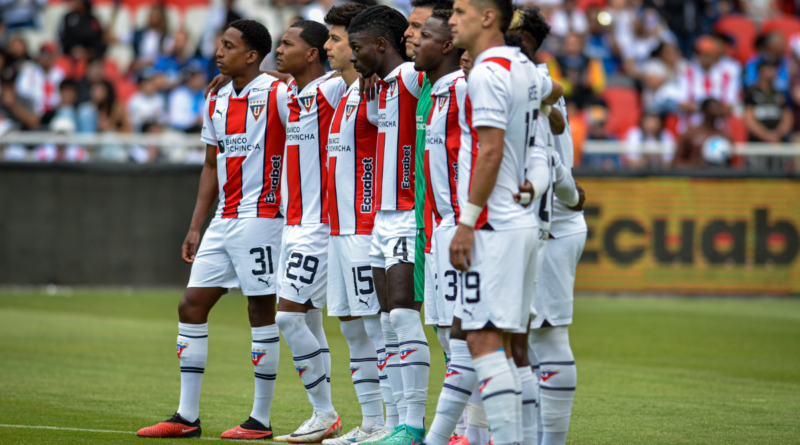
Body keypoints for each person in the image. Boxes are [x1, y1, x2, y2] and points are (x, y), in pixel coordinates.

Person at [136, 19, 289, 439]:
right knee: (191, 306)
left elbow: (311, 87)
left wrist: (273, 74)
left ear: (252, 55)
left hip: (264, 218)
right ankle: (187, 417)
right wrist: (195, 226)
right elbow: (210, 165)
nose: (218, 52)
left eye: (229, 45)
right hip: (224, 219)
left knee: (260, 310)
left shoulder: (276, 93)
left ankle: (260, 419)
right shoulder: (217, 98)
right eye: (220, 44)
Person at [447, 0, 562, 444]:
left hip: (494, 224)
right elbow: (550, 92)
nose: (452, 19)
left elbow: (490, 151)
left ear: (487, 17)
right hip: (525, 222)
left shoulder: (487, 72)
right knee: (513, 345)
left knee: (481, 341)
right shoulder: (523, 65)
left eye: (459, 11)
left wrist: (467, 223)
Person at [348, 7, 431, 445]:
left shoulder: (416, 79)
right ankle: (399, 421)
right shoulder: (380, 86)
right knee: (385, 320)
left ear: (381, 46)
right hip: (381, 217)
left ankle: (415, 424)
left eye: (358, 47)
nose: (352, 55)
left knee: (401, 312)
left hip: (407, 214)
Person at [320, 4, 395, 445]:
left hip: (365, 229)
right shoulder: (345, 93)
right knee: (351, 325)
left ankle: (391, 422)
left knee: (376, 327)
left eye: (335, 39)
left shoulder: (377, 92)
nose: (327, 47)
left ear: (359, 44)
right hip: (339, 228)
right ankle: (369, 423)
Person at [270, 19, 347, 444]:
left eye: (288, 43)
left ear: (314, 53)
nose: (279, 50)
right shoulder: (291, 94)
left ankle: (325, 412)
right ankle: (325, 416)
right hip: (292, 224)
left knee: (288, 316)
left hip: (320, 226)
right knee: (309, 321)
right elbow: (272, 80)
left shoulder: (335, 88)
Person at [408, 9, 473, 445]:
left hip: (463, 227)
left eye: (424, 35)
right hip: (436, 230)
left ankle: (470, 431)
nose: (414, 41)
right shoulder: (437, 90)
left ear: (447, 45)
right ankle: (470, 429)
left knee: (467, 338)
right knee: (450, 336)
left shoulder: (467, 90)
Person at [672, 98, 730, 168]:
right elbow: (676, 161)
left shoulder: (724, 135)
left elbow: (730, 164)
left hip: (716, 177)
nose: (718, 110)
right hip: (693, 176)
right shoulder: (690, 133)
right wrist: (695, 165)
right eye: (714, 107)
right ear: (704, 110)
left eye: (719, 107)